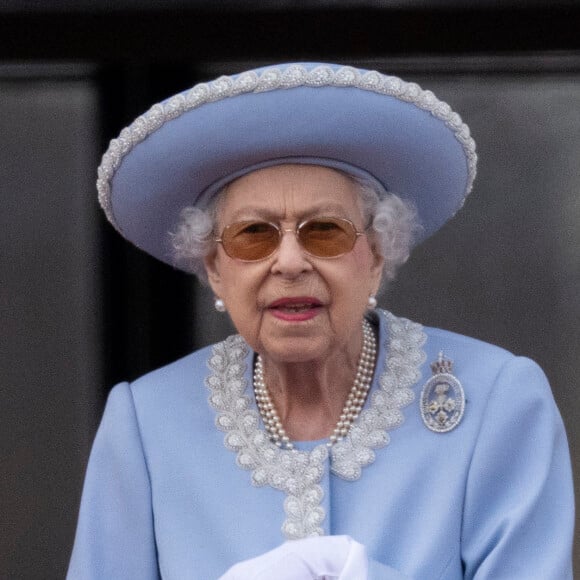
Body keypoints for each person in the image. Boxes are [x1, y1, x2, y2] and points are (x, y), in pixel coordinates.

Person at [68, 62, 574, 579]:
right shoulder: (147, 424)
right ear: (215, 268)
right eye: (254, 235)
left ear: (377, 253)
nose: (289, 262)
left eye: (325, 230)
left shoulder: (496, 403)